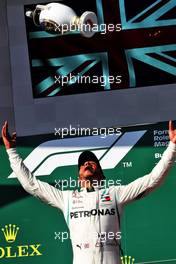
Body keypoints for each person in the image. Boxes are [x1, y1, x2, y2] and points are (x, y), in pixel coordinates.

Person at [2, 121, 176, 264]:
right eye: (83, 164)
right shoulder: (67, 198)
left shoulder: (116, 194)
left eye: (92, 162)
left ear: (101, 173)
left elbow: (153, 179)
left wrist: (173, 147)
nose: (86, 164)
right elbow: (31, 184)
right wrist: (11, 152)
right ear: (78, 178)